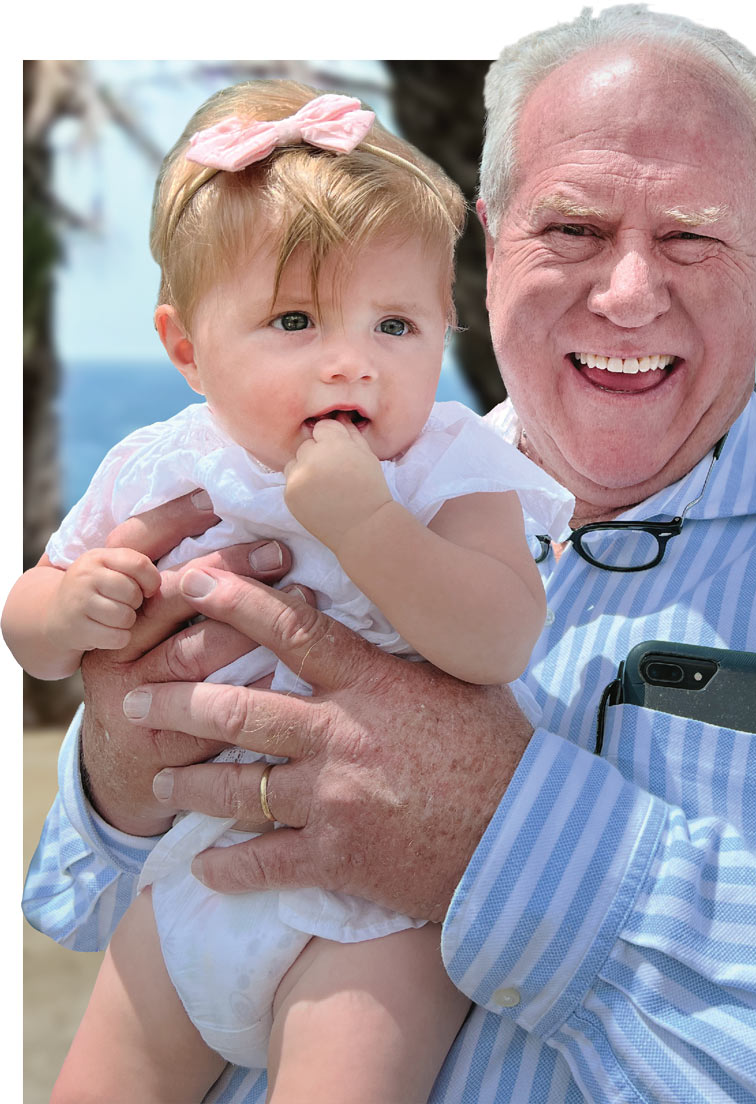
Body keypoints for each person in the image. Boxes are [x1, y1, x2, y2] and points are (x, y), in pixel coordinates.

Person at [23, 7, 756, 1103]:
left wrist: (515, 847)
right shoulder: (259, 478)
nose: (628, 292)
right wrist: (119, 759)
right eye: (572, 230)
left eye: (690, 235)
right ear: (485, 250)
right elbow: (76, 894)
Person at [10, 79, 574, 1103]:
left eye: (394, 325)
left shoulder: (447, 470)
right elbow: (30, 627)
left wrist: (368, 527)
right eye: (297, 320)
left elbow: (498, 640)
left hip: (373, 915)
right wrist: (69, 609)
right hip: (190, 878)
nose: (350, 362)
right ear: (187, 349)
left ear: (444, 326)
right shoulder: (163, 467)